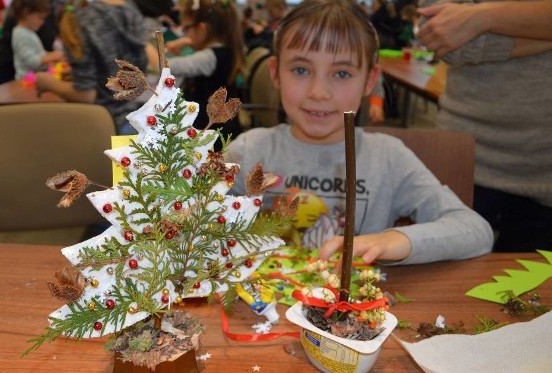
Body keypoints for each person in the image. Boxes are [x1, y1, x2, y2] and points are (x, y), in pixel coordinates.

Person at [224, 0, 493, 265]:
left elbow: (475, 230)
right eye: (301, 70)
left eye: (341, 73)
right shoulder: (248, 151)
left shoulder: (388, 157)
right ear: (276, 73)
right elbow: (194, 220)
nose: (319, 92)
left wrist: (392, 240)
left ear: (370, 80)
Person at [417, 0, 552, 252]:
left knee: (533, 287)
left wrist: (482, 17)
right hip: (465, 156)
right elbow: (437, 34)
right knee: (445, 280)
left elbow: (461, 40)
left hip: (545, 164)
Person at [36, 0, 148, 134]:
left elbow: (85, 95)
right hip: (137, 119)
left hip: (105, 126)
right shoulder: (129, 8)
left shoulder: (78, 20)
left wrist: (47, 82)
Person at [147, 0, 245, 149]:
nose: (184, 33)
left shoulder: (210, 57)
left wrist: (144, 43)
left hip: (212, 139)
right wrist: (188, 42)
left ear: (202, 29)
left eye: (185, 28)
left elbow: (163, 67)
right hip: (209, 132)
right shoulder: (221, 52)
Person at [11, 0, 64, 80]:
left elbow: (40, 54)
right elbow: (31, 61)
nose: (42, 22)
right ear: (26, 13)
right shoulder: (21, 34)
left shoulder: (29, 32)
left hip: (35, 77)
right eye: (40, 18)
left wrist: (50, 61)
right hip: (26, 79)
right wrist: (52, 56)